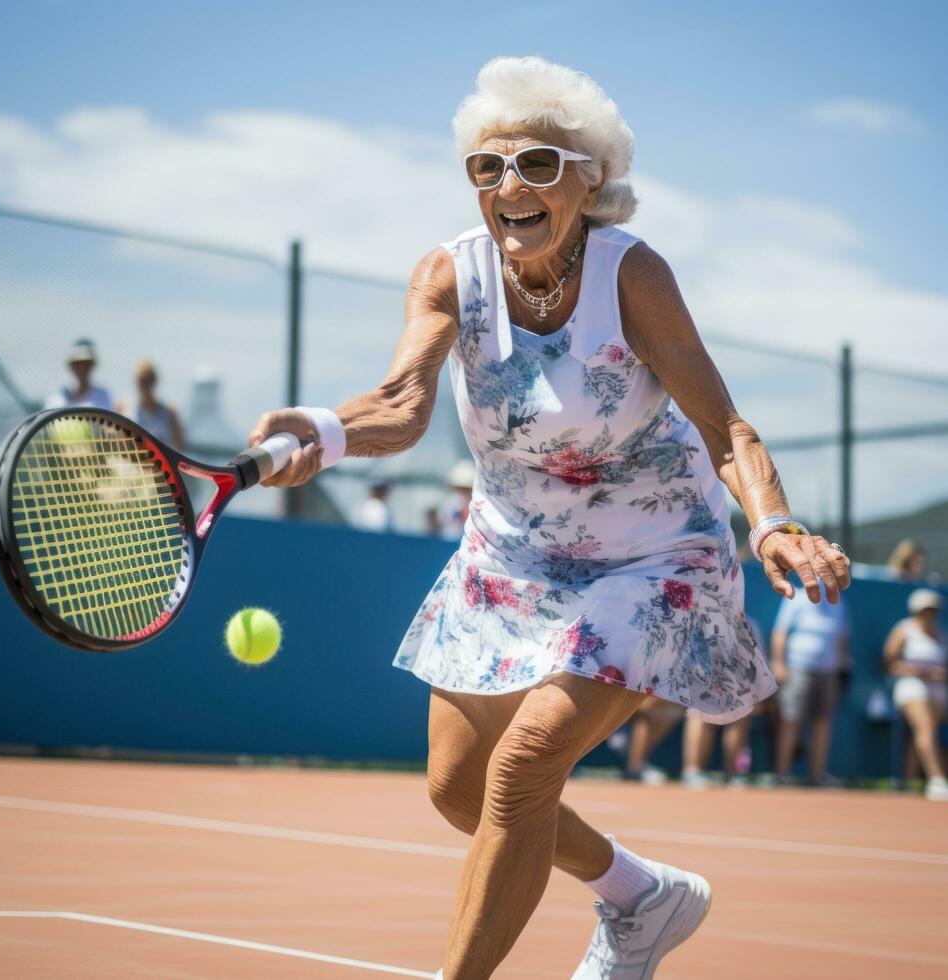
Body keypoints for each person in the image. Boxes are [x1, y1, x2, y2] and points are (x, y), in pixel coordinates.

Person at [247, 56, 851, 979]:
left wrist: (771, 524)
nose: (509, 185)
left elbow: (722, 425)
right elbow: (402, 403)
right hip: (515, 554)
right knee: (458, 791)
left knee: (524, 764)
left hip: (653, 554)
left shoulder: (632, 276)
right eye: (488, 168)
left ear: (591, 178)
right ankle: (641, 898)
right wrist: (323, 432)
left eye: (536, 162)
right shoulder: (451, 273)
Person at [771, 581, 849, 786]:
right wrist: (779, 663)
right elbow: (780, 632)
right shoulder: (795, 597)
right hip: (797, 668)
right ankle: (782, 774)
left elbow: (841, 636)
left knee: (823, 722)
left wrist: (842, 666)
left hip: (828, 671)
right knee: (791, 720)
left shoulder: (838, 602)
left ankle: (817, 776)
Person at [681, 613, 767, 788]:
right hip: (704, 678)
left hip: (738, 684)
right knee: (700, 716)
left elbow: (757, 662)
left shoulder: (750, 623)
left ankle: (734, 774)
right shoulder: (701, 620)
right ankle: (692, 771)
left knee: (741, 718)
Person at [884, 589, 947, 801]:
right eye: (925, 610)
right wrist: (920, 671)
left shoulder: (941, 634)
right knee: (925, 728)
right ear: (916, 611)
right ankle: (937, 779)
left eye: (933, 610)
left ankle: (910, 783)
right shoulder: (904, 629)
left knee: (924, 734)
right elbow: (890, 663)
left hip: (938, 690)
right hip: (911, 687)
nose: (930, 614)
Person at [606, 699, 682, 785]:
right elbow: (644, 709)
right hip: (618, 734)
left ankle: (638, 766)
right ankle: (634, 769)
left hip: (625, 739)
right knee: (650, 708)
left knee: (672, 710)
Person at [44, 339, 114, 411]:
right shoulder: (57, 396)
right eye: (78, 365)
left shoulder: (103, 396)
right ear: (71, 366)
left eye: (86, 364)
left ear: (92, 366)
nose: (82, 369)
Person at [131, 360, 185, 450]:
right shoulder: (126, 409)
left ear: (154, 382)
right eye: (140, 381)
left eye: (146, 381)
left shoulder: (170, 413)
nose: (143, 386)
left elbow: (181, 447)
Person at [437, 459, 475, 538]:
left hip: (466, 539)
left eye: (466, 489)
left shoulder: (474, 502)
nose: (463, 492)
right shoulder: (450, 501)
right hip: (450, 537)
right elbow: (441, 518)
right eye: (461, 488)